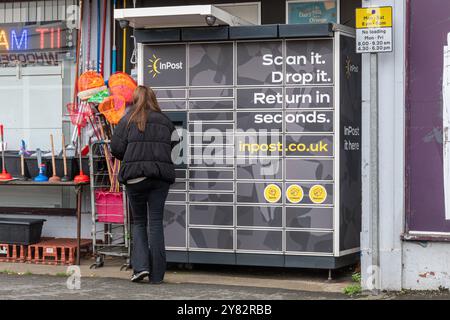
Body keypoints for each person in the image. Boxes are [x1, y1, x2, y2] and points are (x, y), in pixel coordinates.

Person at [111, 85, 178, 284]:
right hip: (159, 178)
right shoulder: (165, 121)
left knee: (139, 222)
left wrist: (131, 156)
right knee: (156, 223)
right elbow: (175, 145)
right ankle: (157, 275)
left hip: (136, 179)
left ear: (135, 100)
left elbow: (116, 149)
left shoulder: (128, 120)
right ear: (153, 99)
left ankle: (140, 268)